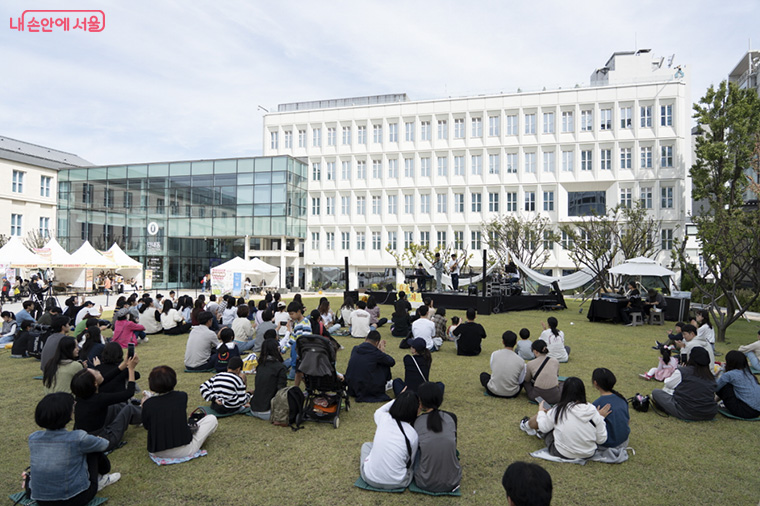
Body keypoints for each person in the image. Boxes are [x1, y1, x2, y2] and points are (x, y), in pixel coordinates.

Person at [28, 393, 120, 505]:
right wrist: (96, 439)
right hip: (75, 498)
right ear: (66, 414)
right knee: (92, 449)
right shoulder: (78, 438)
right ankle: (101, 479)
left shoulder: (33, 438)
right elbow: (104, 444)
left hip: (41, 500)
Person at [519, 377, 607, 460]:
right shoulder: (593, 411)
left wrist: (541, 412)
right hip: (588, 453)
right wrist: (601, 419)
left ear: (564, 392)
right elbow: (601, 440)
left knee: (547, 423)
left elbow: (543, 428)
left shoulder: (558, 409)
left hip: (562, 452)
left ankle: (526, 425)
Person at [142, 365, 219, 458]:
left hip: (156, 451)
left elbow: (147, 426)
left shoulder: (148, 404)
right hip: (184, 450)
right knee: (212, 419)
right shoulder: (182, 396)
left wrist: (144, 406)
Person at [71, 354, 142, 451]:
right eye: (96, 372)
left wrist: (124, 364)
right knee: (128, 408)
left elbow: (105, 379)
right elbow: (129, 393)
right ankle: (149, 414)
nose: (99, 371)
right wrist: (131, 369)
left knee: (116, 406)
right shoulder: (99, 399)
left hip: (83, 437)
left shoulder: (82, 394)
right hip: (103, 440)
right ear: (95, 383)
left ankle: (142, 412)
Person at [359, 391, 419, 489]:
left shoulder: (383, 418)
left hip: (370, 479)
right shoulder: (413, 434)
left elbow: (380, 410)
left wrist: (397, 399)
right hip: (399, 482)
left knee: (366, 446)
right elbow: (410, 462)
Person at [413, 382, 461, 493]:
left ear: (420, 401)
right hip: (453, 480)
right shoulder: (451, 417)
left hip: (424, 481)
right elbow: (454, 445)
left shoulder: (417, 421)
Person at [651, 346, 717, 421]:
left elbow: (668, 384)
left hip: (687, 411)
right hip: (709, 413)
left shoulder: (683, 372)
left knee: (656, 392)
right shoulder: (710, 376)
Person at [345, 330, 396, 402]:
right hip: (367, 388)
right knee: (384, 363)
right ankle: (387, 383)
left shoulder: (355, 349)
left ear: (366, 339)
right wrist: (382, 352)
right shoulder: (376, 353)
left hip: (352, 386)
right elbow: (391, 362)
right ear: (377, 342)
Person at [590, 368, 630, 449]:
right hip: (624, 441)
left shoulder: (597, 405)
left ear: (595, 383)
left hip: (607, 445)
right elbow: (627, 421)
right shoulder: (622, 399)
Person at [249, 339, 288, 420]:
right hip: (269, 411)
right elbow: (281, 391)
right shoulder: (280, 367)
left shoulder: (260, 366)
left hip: (253, 408)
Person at [481, 331, 526, 398]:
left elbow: (493, 369)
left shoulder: (495, 354)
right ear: (515, 343)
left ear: (503, 342)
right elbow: (520, 380)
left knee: (483, 375)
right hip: (512, 393)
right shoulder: (521, 361)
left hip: (493, 390)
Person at [715, 351, 760, 419]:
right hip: (757, 410)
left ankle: (713, 402)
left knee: (725, 386)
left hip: (745, 411)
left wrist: (717, 374)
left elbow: (716, 388)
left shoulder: (729, 375)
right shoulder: (749, 374)